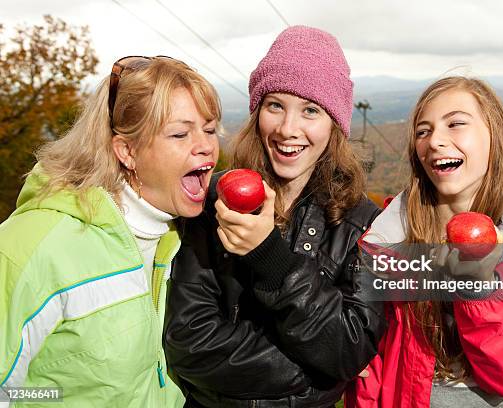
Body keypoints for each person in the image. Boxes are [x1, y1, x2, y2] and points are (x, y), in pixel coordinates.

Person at [164, 26, 386, 407]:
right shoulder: (212, 200)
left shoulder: (363, 224)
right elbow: (189, 342)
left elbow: (349, 348)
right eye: (275, 105)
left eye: (311, 111)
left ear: (335, 124)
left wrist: (272, 259)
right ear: (257, 111)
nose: (287, 129)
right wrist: (318, 370)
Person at [0, 56, 220, 407]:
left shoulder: (181, 236)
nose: (206, 146)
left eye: (209, 130)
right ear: (127, 151)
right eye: (180, 133)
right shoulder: (34, 245)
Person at [345, 77, 503, 407]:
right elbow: (371, 352)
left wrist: (479, 288)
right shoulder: (387, 239)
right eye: (423, 131)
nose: (435, 140)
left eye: (456, 123)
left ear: (497, 135)